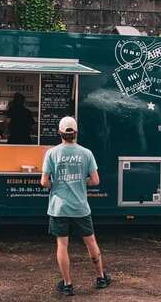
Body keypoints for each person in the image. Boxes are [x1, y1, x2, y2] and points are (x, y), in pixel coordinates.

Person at [40, 116, 111, 296]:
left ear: (60, 133)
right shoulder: (86, 153)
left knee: (62, 245)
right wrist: (80, 181)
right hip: (80, 207)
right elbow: (95, 180)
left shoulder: (52, 153)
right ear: (76, 133)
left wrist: (57, 184)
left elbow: (44, 182)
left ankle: (68, 284)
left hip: (59, 207)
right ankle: (101, 278)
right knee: (91, 242)